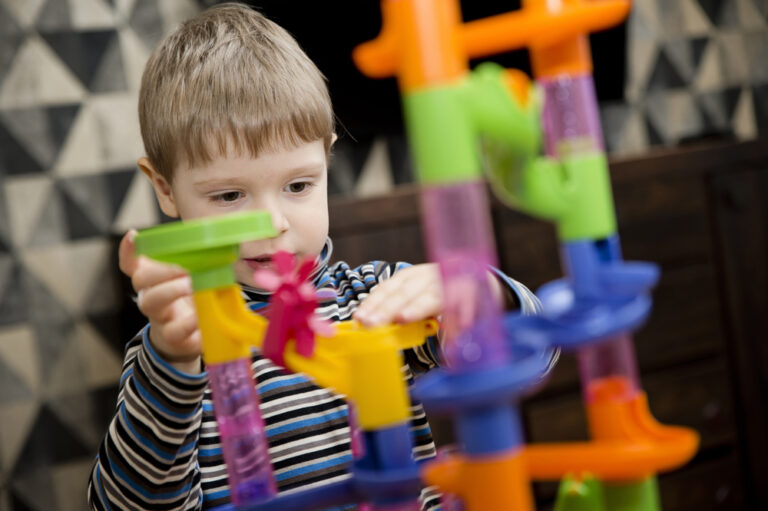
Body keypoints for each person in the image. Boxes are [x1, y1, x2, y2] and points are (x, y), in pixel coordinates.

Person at [87, 3, 543, 510]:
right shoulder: (174, 354)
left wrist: (479, 295)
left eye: (298, 185)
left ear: (326, 159)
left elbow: (536, 357)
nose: (274, 223)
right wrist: (172, 361)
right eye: (229, 197)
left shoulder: (375, 299)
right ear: (166, 189)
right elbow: (121, 505)